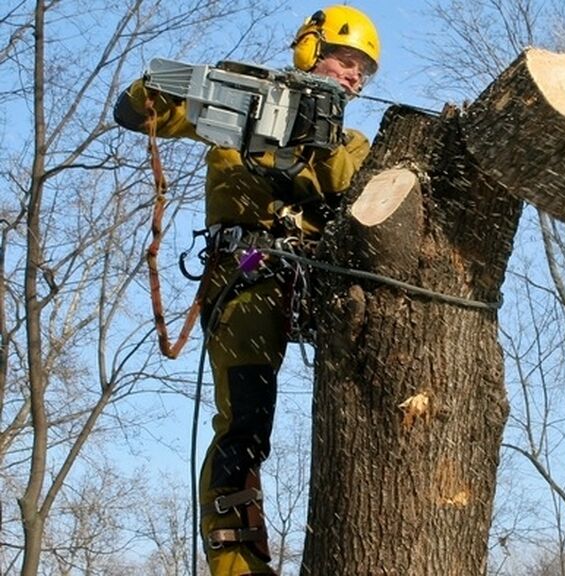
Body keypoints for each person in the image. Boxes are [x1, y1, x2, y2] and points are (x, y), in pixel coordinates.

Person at [114, 6, 380, 575]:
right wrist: (180, 85)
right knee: (245, 419)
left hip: (320, 285)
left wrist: (312, 142)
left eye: (364, 69)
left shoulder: (352, 143)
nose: (355, 75)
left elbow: (348, 190)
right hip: (251, 270)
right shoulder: (242, 111)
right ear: (311, 50)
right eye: (347, 59)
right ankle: (236, 563)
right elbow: (139, 113)